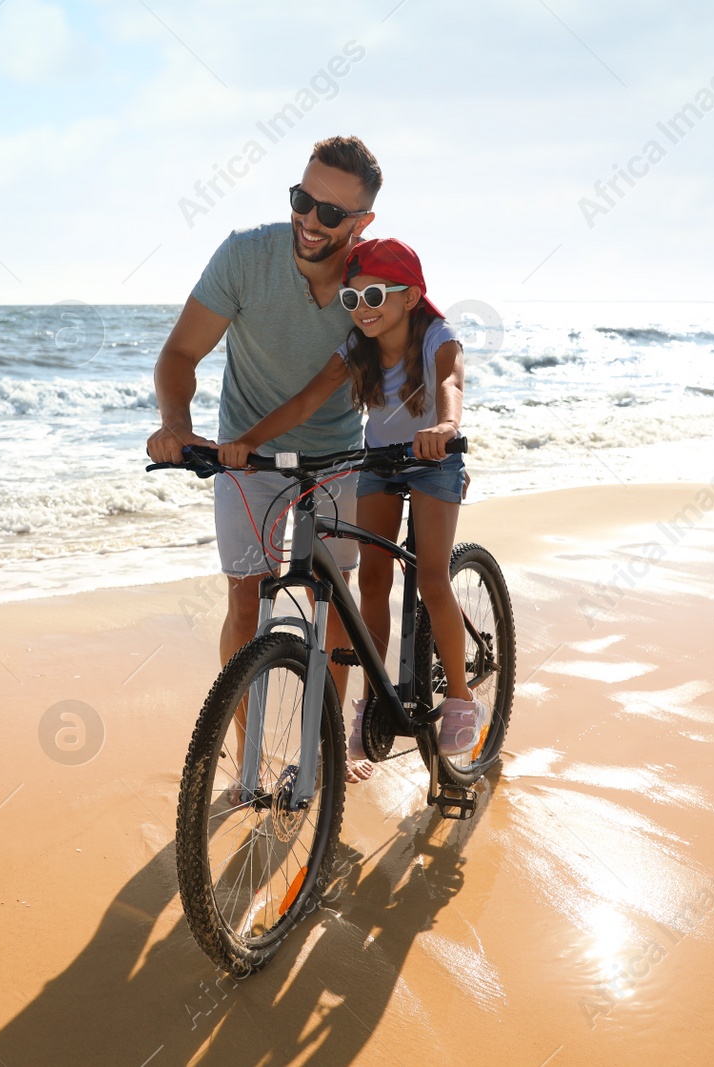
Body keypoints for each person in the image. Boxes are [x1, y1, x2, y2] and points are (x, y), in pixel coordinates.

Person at [146, 135, 382, 780]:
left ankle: (324, 747)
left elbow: (416, 354)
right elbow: (178, 357)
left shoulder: (370, 280)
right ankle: (250, 748)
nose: (310, 221)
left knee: (331, 600)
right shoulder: (246, 255)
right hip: (242, 459)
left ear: (361, 222)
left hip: (335, 460)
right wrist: (176, 426)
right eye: (302, 200)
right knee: (245, 597)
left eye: (331, 213)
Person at [217, 237, 488, 762]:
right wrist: (250, 442)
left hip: (435, 460)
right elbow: (306, 400)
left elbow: (451, 382)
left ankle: (460, 696)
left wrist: (446, 425)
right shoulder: (355, 347)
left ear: (409, 297)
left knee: (431, 579)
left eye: (374, 297)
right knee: (373, 583)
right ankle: (371, 704)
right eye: (351, 299)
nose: (360, 310)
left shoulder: (437, 337)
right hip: (379, 464)